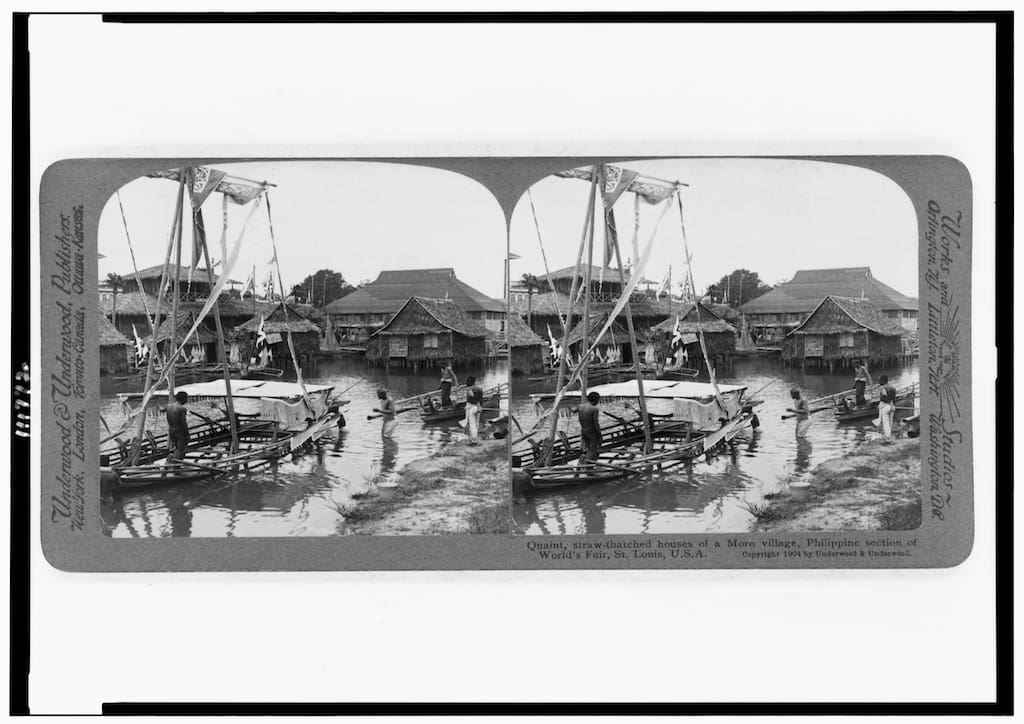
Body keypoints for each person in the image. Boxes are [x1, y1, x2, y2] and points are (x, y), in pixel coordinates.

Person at [165, 391, 190, 462]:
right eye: (186, 399)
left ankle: (173, 463)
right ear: (184, 399)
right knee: (180, 449)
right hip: (179, 431)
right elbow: (183, 423)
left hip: (171, 430)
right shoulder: (182, 409)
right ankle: (174, 464)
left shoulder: (169, 407)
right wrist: (187, 434)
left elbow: (168, 419)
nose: (186, 401)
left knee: (177, 448)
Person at [578, 391, 602, 462]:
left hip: (583, 431)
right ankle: (587, 466)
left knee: (589, 449)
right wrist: (599, 434)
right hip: (591, 432)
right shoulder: (594, 409)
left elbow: (579, 419)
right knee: (593, 450)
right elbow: (595, 424)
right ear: (596, 400)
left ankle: (585, 463)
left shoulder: (581, 407)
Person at [877, 374, 897, 444]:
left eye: (879, 380)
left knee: (885, 423)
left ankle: (887, 439)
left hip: (885, 406)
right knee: (890, 423)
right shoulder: (893, 388)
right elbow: (893, 399)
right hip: (892, 407)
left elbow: (884, 398)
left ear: (882, 381)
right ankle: (889, 438)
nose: (878, 381)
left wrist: (880, 404)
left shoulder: (882, 388)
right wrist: (893, 405)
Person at [463, 375, 483, 445]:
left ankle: (473, 439)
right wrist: (479, 406)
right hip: (478, 408)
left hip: (472, 407)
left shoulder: (469, 389)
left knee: (471, 423)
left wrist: (467, 406)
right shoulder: (479, 388)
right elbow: (480, 400)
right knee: (476, 423)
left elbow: (472, 399)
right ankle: (474, 438)